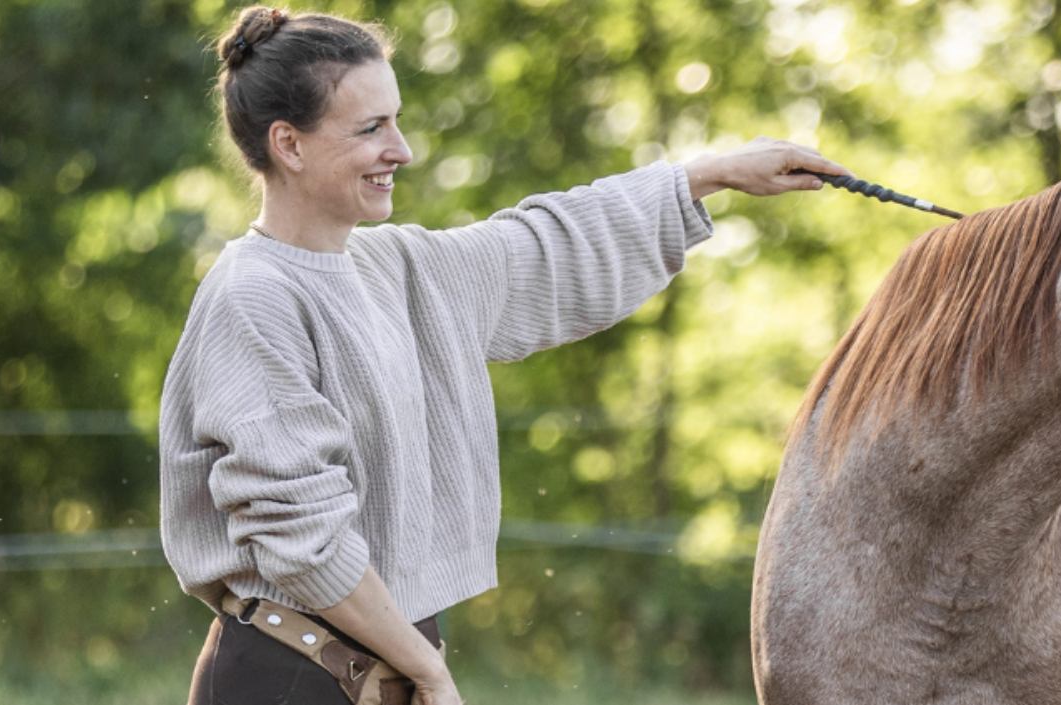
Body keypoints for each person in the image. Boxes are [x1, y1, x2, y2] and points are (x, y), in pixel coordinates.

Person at [158, 7, 849, 704]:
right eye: (372, 128)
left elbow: (541, 244)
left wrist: (713, 173)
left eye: (395, 120)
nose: (403, 148)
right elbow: (302, 541)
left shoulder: (398, 266)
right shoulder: (253, 297)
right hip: (289, 680)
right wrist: (427, 669)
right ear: (290, 144)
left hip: (375, 666)